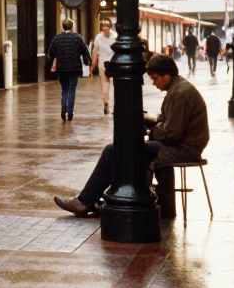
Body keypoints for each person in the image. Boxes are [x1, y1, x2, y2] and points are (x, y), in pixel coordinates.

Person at [53, 54, 209, 221]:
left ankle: (88, 201)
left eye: (155, 79)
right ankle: (96, 200)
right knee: (121, 151)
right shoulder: (177, 89)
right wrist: (149, 123)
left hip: (182, 149)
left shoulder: (181, 93)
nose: (154, 83)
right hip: (177, 145)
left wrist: (149, 132)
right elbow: (166, 122)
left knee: (116, 151)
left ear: (166, 76)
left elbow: (171, 133)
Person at [47, 18, 91, 121]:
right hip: (74, 67)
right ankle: (70, 112)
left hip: (61, 68)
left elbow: (50, 53)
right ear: (72, 27)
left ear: (63, 26)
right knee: (72, 89)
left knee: (64, 89)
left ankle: (63, 107)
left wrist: (56, 57)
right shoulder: (77, 37)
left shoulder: (57, 38)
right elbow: (85, 50)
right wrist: (87, 60)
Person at [90, 17, 116, 116]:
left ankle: (106, 104)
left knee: (105, 85)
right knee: (116, 84)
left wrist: (93, 64)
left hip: (103, 63)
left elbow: (95, 52)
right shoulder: (115, 36)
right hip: (113, 63)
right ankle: (116, 104)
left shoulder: (98, 37)